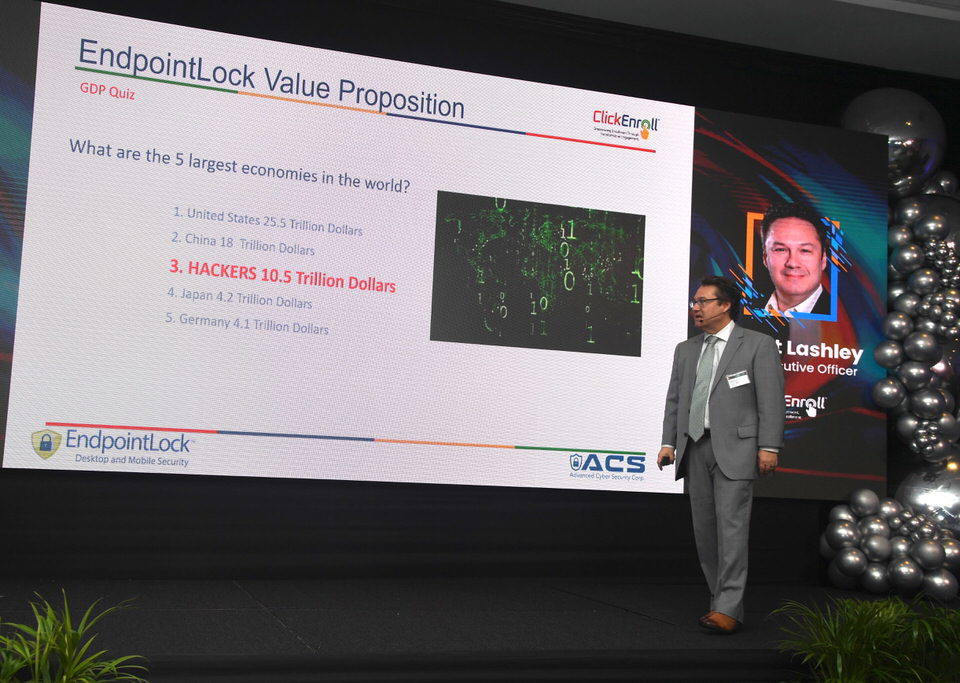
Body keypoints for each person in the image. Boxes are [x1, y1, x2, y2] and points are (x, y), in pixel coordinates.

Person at [657, 275, 784, 634]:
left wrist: (769, 446)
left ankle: (728, 607)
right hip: (695, 446)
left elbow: (771, 399)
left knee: (732, 529)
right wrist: (668, 443)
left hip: (738, 448)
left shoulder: (758, 344)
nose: (695, 308)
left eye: (703, 301)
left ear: (725, 305)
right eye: (694, 302)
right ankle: (720, 600)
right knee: (705, 531)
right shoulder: (685, 349)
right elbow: (675, 401)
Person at [759, 203, 830, 316]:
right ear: (765, 258)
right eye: (781, 249)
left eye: (805, 250)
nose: (792, 263)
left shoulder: (845, 320)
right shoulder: (745, 309)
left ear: (823, 260)